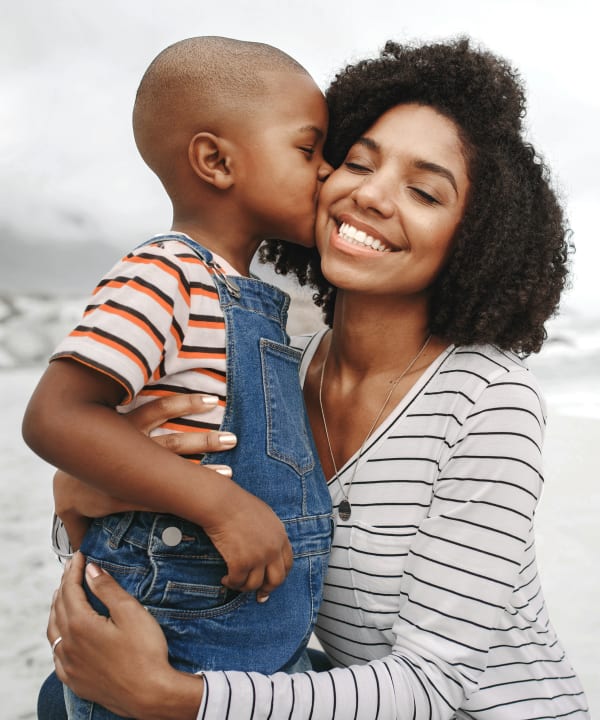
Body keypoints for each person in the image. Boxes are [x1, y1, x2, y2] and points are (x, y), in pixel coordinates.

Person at [44, 37, 590, 719]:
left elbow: (432, 687)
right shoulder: (269, 368)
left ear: (474, 238)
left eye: (423, 191)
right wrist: (87, 494)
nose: (370, 194)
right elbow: (176, 538)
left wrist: (170, 696)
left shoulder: (487, 402)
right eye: (354, 162)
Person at [23, 35, 334, 719]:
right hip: (171, 634)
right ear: (216, 161)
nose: (327, 172)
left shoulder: (244, 293)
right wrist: (223, 505)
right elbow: (57, 414)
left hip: (249, 637)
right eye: (309, 150)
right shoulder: (164, 273)